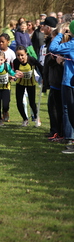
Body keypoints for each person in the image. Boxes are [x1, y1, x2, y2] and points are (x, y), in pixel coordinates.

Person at [49, 21, 74, 153]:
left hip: (70, 82)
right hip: (68, 80)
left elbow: (53, 48)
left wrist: (59, 34)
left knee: (70, 112)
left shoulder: (72, 44)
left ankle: (70, 138)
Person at [13, 45, 42, 127]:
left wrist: (43, 77)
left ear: (26, 54)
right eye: (18, 55)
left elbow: (40, 66)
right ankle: (25, 119)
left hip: (31, 84)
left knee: (32, 103)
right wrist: (16, 74)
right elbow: (15, 71)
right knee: (19, 102)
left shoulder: (31, 60)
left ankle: (36, 117)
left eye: (22, 55)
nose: (20, 57)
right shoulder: (16, 61)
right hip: (20, 83)